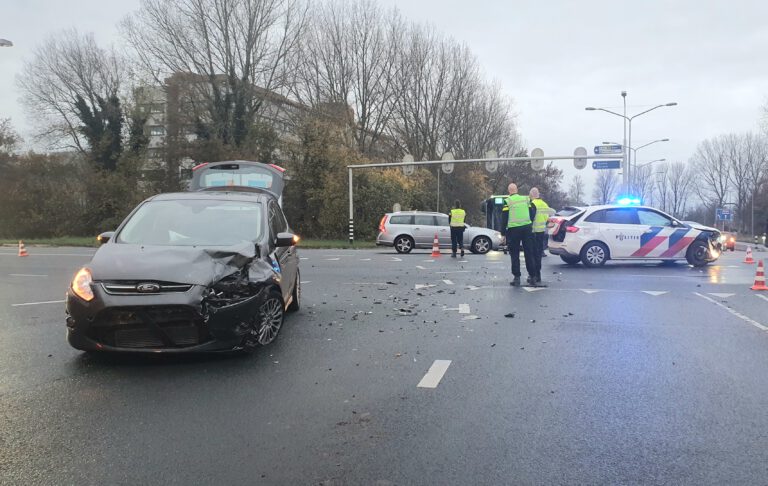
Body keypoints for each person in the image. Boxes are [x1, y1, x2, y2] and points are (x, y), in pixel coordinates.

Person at [503, 183, 537, 286]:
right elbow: (533, 210)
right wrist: (529, 221)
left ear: (509, 191)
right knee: (529, 253)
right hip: (527, 228)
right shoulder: (526, 199)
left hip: (513, 230)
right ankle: (532, 276)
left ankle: (517, 278)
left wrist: (503, 233)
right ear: (517, 190)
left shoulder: (507, 201)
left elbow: (504, 218)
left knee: (514, 254)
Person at [529, 187, 553, 283]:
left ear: (532, 195)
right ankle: (538, 275)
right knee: (538, 254)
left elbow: (530, 218)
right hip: (541, 233)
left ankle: (533, 275)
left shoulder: (532, 204)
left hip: (533, 232)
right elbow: (547, 219)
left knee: (532, 255)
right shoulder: (544, 204)